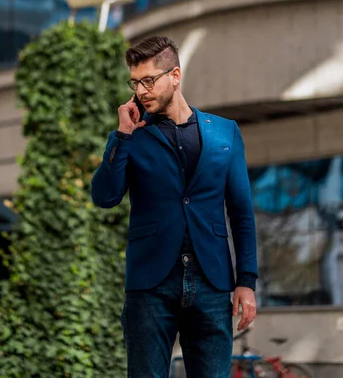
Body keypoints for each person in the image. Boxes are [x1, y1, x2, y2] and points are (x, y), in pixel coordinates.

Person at [91, 36, 258, 378]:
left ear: (175, 75)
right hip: (151, 284)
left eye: (149, 80)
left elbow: (241, 213)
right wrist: (121, 135)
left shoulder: (225, 132)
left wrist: (246, 281)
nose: (141, 90)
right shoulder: (131, 137)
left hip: (211, 282)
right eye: (135, 82)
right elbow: (104, 197)